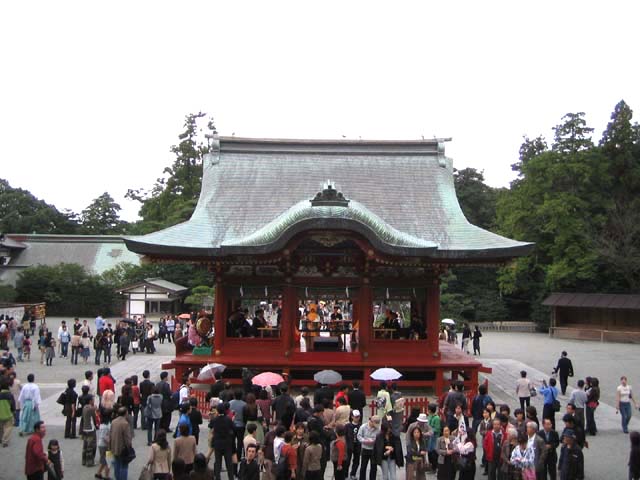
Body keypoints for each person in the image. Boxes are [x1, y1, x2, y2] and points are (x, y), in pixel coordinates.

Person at [209, 402, 235, 480]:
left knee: (218, 462)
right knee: (229, 463)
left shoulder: (215, 420)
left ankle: (217, 477)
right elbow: (232, 428)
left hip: (217, 443)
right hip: (227, 443)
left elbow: (210, 427)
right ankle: (231, 477)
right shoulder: (228, 419)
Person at [110, 406, 133, 480]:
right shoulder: (125, 423)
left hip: (114, 446)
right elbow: (127, 438)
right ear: (125, 413)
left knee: (116, 464)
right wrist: (129, 447)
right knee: (124, 466)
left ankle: (117, 478)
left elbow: (110, 434)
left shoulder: (113, 422)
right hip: (123, 448)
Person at [97, 390, 114, 480]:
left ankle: (98, 473)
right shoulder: (106, 426)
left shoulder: (102, 424)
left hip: (101, 444)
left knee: (103, 460)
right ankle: (107, 476)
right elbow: (105, 437)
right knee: (108, 461)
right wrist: (110, 444)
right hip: (105, 445)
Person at [358, 415, 381, 480]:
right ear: (371, 421)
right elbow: (359, 436)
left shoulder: (378, 429)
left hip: (373, 450)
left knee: (373, 467)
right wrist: (364, 441)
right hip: (365, 448)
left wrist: (374, 441)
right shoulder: (363, 427)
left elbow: (379, 438)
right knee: (363, 466)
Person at [82, 394, 98, 467]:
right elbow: (95, 418)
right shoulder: (91, 409)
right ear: (90, 401)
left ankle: (84, 460)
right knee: (92, 445)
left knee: (85, 445)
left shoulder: (84, 407)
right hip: (91, 428)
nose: (94, 400)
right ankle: (90, 461)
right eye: (92, 399)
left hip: (85, 428)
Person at [0, 376, 16, 447]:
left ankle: (0, 438)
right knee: (8, 427)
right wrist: (14, 411)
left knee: (1, 427)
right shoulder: (9, 395)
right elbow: (12, 405)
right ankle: (5, 440)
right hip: (8, 414)